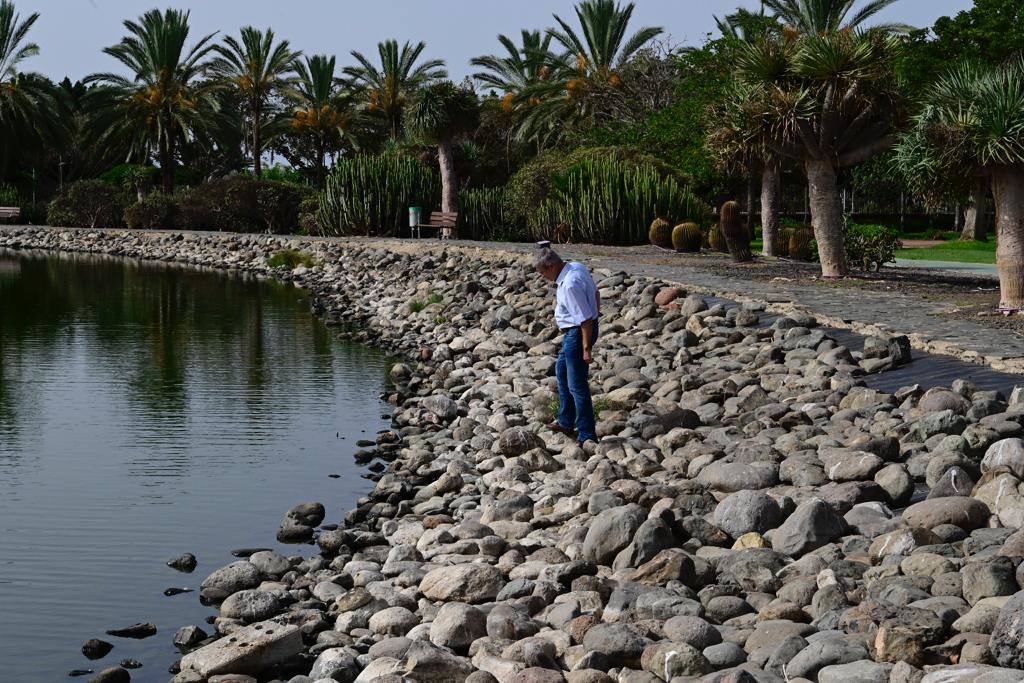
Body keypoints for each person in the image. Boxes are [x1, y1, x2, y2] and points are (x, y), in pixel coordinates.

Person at [533, 247, 600, 445]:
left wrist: (586, 348)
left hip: (577, 334)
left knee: (577, 385)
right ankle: (566, 420)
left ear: (551, 266)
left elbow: (585, 319)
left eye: (543, 272)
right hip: (578, 331)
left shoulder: (569, 285)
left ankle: (588, 433)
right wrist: (597, 313)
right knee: (561, 370)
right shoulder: (576, 267)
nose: (543, 277)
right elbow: (595, 293)